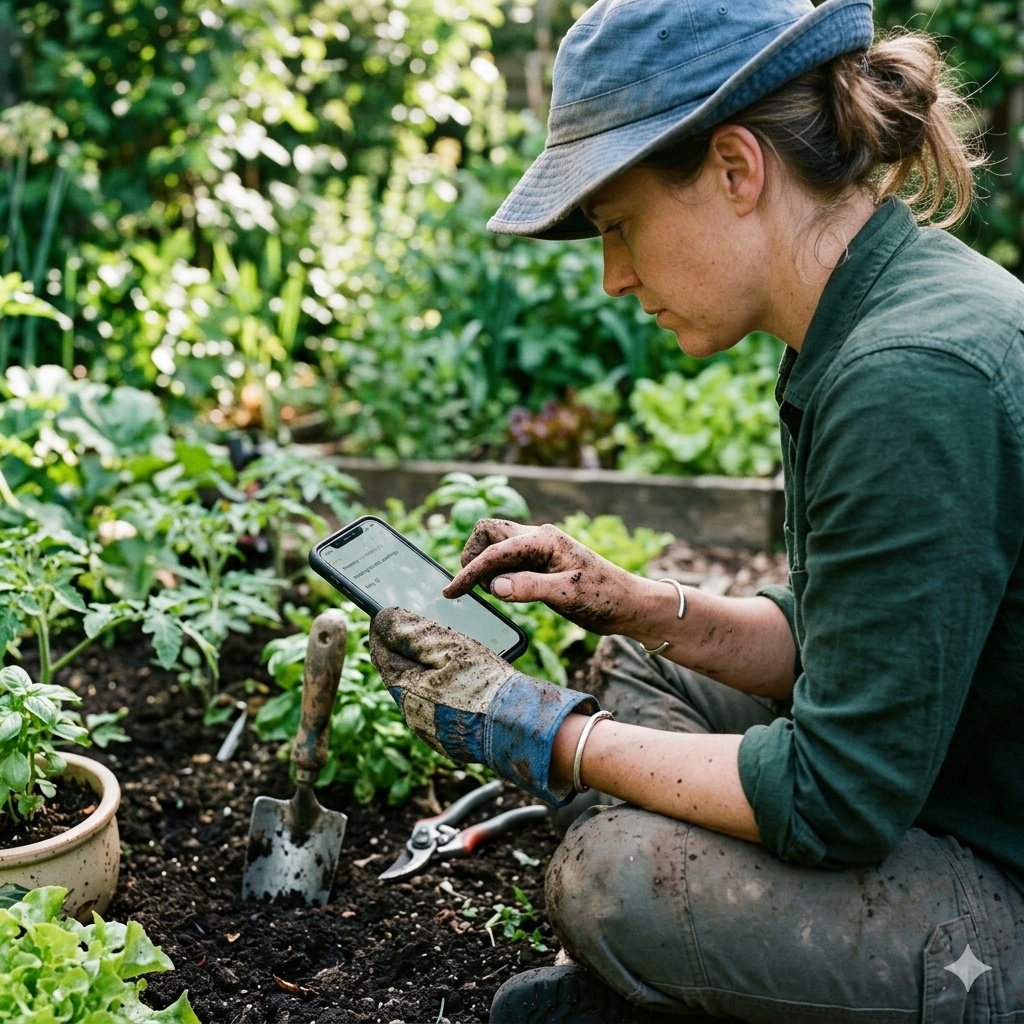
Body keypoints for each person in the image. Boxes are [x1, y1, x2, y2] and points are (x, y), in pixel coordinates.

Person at [367, 0, 1024, 1019]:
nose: (614, 276)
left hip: (1002, 887)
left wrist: (539, 728)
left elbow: (839, 793)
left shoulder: (910, 376)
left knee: (614, 881)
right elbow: (845, 638)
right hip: (948, 777)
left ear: (734, 169)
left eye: (620, 225)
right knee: (642, 666)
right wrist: (634, 600)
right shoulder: (868, 320)